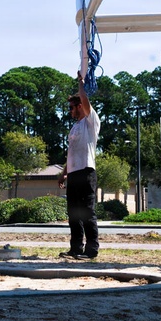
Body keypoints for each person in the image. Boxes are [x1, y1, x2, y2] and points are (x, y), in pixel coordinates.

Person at [58, 72, 100, 259]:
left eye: (71, 107)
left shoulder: (91, 122)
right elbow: (72, 153)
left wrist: (81, 83)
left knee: (87, 213)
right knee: (74, 214)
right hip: (74, 174)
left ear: (80, 106)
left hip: (86, 172)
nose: (70, 111)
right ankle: (76, 249)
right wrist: (64, 173)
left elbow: (84, 97)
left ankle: (91, 251)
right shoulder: (75, 127)